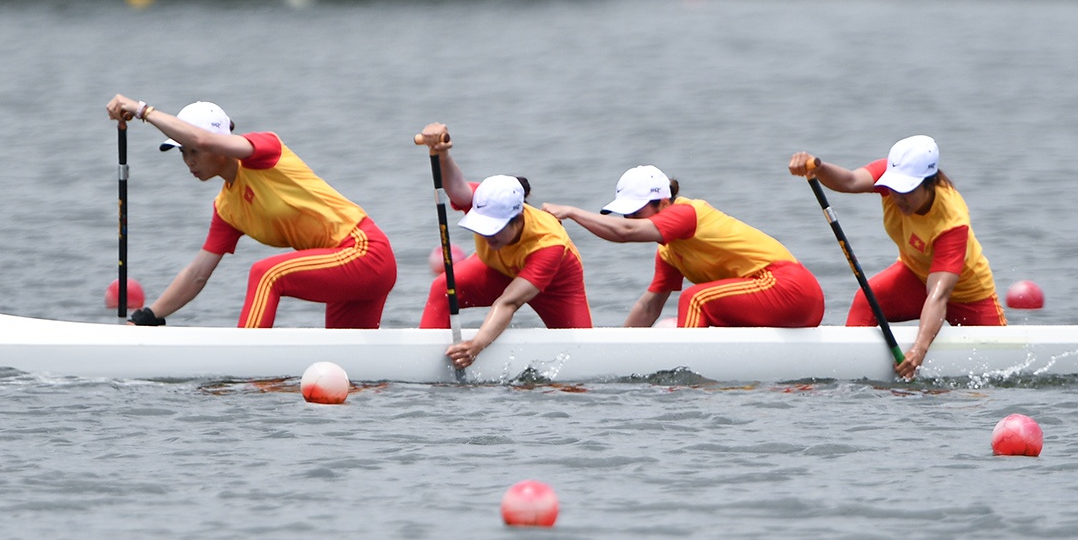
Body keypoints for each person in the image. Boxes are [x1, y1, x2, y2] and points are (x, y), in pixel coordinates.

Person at [106, 96, 397, 328]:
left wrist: (143, 111)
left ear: (220, 145)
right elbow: (197, 274)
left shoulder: (265, 150)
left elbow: (203, 139)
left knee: (266, 273)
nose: (188, 161)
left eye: (193, 151)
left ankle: (246, 367)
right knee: (344, 370)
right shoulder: (227, 208)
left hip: (365, 252)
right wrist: (147, 316)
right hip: (341, 268)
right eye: (183, 152)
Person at [787, 135, 1002, 378]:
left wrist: (919, 350)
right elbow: (850, 181)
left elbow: (939, 293)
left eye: (907, 189)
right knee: (867, 300)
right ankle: (848, 372)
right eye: (894, 187)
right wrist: (817, 166)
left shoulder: (951, 222)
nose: (898, 196)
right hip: (914, 277)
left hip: (969, 295)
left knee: (998, 373)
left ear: (929, 183)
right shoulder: (891, 173)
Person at [543, 166, 824, 328]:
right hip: (779, 301)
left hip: (790, 289)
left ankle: (685, 389)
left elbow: (625, 233)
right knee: (688, 306)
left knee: (695, 299)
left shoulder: (685, 213)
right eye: (625, 213)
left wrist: (572, 212)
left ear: (664, 203)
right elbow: (649, 306)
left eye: (636, 212)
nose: (630, 219)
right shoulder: (669, 250)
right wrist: (616, 349)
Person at [414, 124, 590, 368]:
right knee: (442, 287)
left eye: (494, 228)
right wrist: (442, 153)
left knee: (582, 355)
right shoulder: (486, 199)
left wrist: (476, 346)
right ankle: (423, 360)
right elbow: (456, 189)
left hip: (556, 287)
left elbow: (508, 302)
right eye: (482, 225)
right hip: (498, 269)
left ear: (518, 219)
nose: (488, 235)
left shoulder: (548, 244)